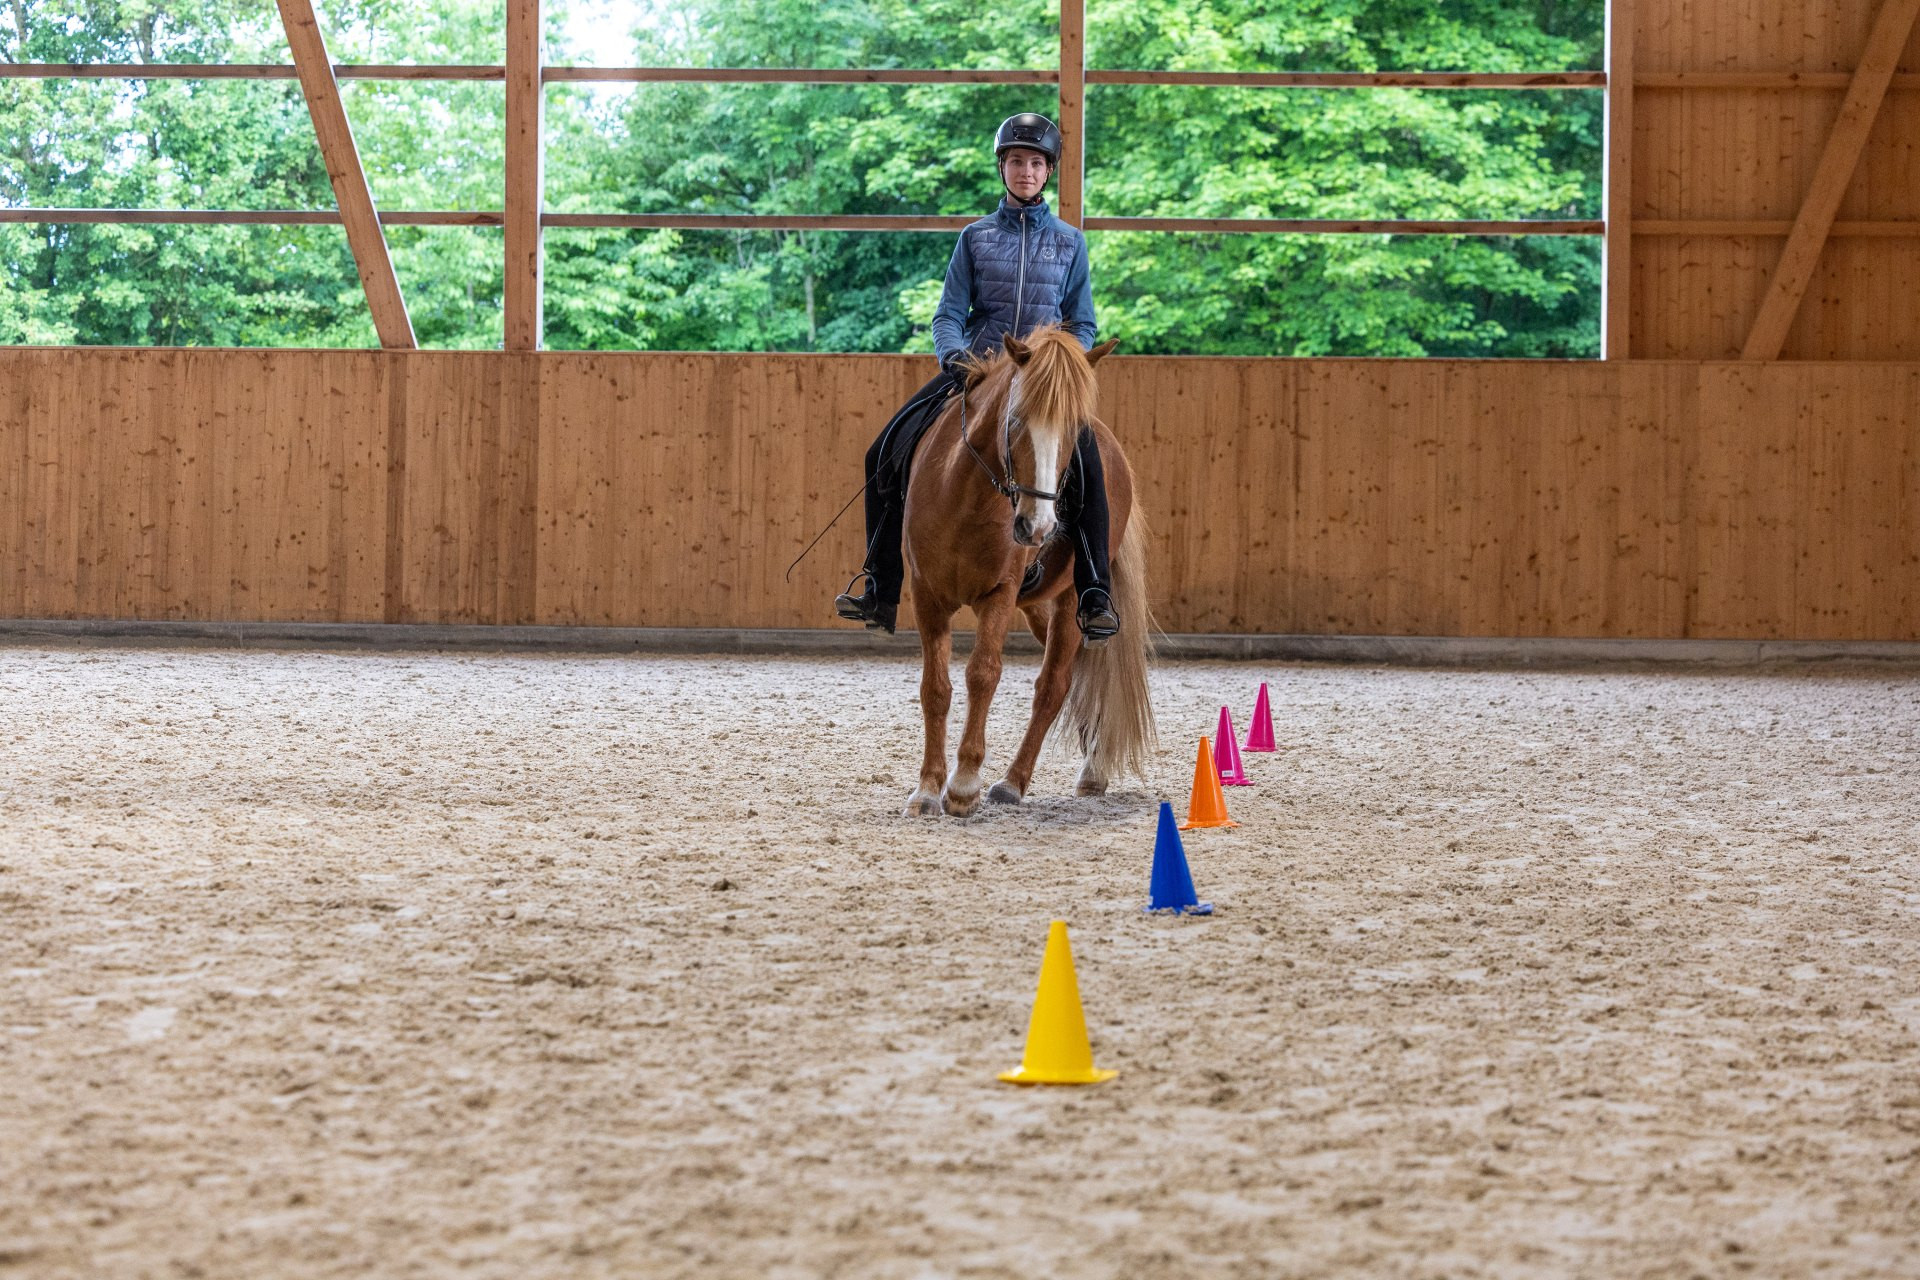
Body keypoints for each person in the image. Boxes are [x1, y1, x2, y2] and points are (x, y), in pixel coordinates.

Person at [832, 112, 1120, 644]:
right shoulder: (975, 237)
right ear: (1002, 168)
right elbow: (947, 314)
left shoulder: (1070, 244)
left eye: (1035, 163)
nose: (1025, 171)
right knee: (885, 449)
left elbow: (1083, 323)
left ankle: (1095, 588)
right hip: (978, 373)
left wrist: (1059, 364)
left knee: (1089, 466)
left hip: (1041, 383)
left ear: (1048, 171)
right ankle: (881, 583)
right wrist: (954, 356)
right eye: (1016, 162)